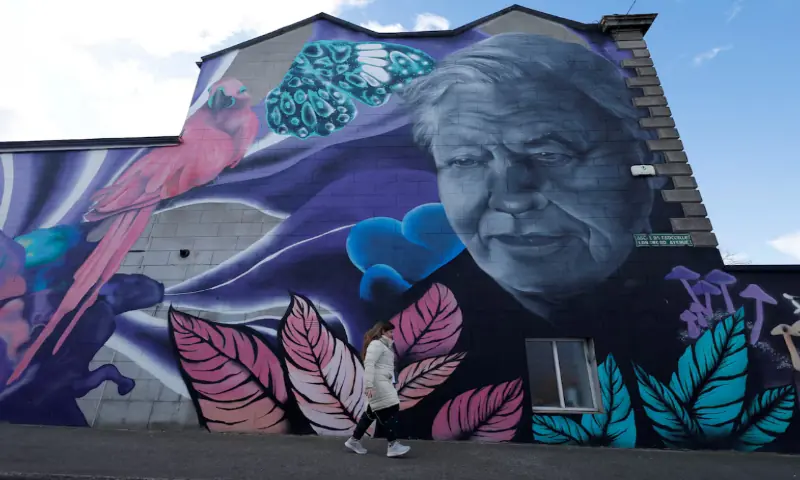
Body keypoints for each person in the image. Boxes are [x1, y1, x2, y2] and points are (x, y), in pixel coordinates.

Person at [399, 33, 665, 319]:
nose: (511, 200)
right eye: (466, 160)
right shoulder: (405, 323)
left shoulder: (704, 291)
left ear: (646, 156)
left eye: (549, 155)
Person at [344, 321, 410, 458]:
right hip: (378, 384)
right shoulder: (376, 345)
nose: (392, 335)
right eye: (390, 332)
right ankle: (393, 445)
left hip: (382, 382)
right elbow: (369, 364)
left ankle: (353, 441)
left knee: (371, 413)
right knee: (388, 409)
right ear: (382, 332)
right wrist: (369, 385)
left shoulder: (383, 346)